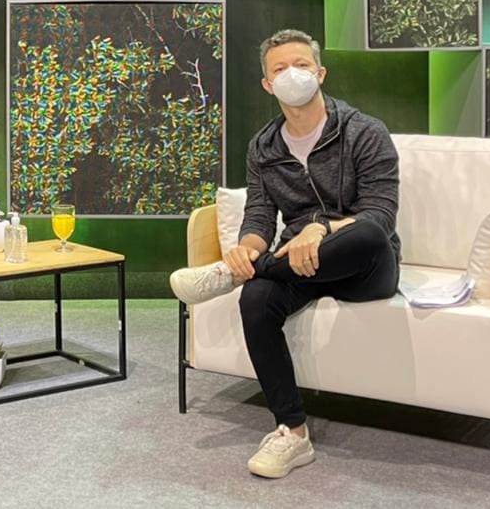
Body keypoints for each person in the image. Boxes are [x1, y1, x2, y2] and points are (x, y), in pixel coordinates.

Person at [170, 29, 400, 480]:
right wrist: (246, 248)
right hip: (296, 265)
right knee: (256, 298)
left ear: (320, 73)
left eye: (301, 65)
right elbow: (259, 213)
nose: (292, 74)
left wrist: (322, 228)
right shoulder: (264, 146)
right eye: (280, 69)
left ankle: (235, 274)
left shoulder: (364, 132)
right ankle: (292, 433)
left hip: (361, 263)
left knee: (369, 233)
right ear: (267, 84)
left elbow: (381, 213)